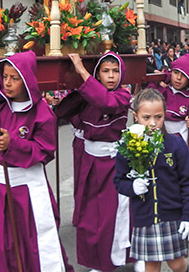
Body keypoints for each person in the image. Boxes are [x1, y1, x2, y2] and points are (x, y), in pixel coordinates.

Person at [0, 51, 71, 271]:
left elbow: (46, 151)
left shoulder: (41, 112)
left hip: (29, 186)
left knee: (36, 240)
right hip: (2, 185)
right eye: (4, 77)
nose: (7, 83)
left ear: (26, 80)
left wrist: (12, 144)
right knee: (6, 241)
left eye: (14, 78)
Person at [55, 52, 133, 272]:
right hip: (90, 160)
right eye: (105, 71)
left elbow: (106, 103)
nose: (110, 76)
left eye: (115, 71)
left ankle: (131, 257)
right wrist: (73, 92)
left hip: (113, 162)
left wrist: (81, 71)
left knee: (113, 214)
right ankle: (98, 262)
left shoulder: (122, 95)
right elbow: (62, 112)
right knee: (90, 215)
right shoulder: (89, 94)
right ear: (98, 74)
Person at [114, 88, 189, 272]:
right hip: (145, 218)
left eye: (158, 117)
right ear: (135, 116)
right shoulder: (127, 147)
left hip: (172, 217)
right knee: (151, 267)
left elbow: (187, 182)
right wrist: (132, 187)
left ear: (165, 115)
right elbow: (119, 181)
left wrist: (188, 216)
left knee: (177, 264)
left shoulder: (175, 144)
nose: (153, 123)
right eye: (146, 117)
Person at [147, 54, 189, 227]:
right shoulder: (162, 91)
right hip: (158, 139)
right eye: (175, 73)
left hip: (181, 145)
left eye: (183, 75)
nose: (178, 78)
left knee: (185, 176)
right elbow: (147, 97)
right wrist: (161, 77)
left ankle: (188, 218)